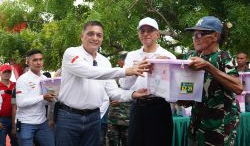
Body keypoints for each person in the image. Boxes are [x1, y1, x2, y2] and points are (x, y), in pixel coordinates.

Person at [55, 20, 150, 146]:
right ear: (82, 36)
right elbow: (89, 72)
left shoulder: (105, 62)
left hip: (94, 118)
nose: (95, 38)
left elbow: (113, 92)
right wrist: (126, 71)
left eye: (99, 35)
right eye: (91, 34)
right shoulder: (71, 53)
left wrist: (132, 94)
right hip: (69, 117)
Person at [183, 16, 243, 145]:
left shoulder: (223, 57)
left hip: (219, 128)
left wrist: (208, 66)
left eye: (201, 34)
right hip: (196, 127)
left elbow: (238, 87)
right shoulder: (191, 57)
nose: (195, 38)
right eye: (194, 34)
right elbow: (186, 95)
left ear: (215, 36)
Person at [119, 17, 176, 146]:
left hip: (160, 107)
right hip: (138, 106)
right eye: (142, 31)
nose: (145, 34)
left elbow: (174, 90)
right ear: (139, 34)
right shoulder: (132, 55)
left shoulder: (168, 56)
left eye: (150, 30)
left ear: (157, 34)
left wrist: (166, 67)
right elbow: (124, 85)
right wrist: (136, 70)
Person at [16, 49, 55, 146]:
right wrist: (42, 97)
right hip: (26, 123)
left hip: (42, 122)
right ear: (28, 62)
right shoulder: (23, 79)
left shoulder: (45, 79)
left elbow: (47, 102)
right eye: (35, 60)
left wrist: (52, 98)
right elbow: (20, 103)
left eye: (40, 59)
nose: (38, 62)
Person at [108, 51, 131, 146]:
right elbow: (106, 92)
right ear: (119, 61)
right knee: (113, 142)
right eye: (123, 59)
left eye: (127, 60)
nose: (125, 62)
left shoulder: (134, 75)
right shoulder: (113, 75)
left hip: (129, 119)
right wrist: (110, 100)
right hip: (113, 118)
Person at [0, 64, 18, 146]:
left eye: (9, 71)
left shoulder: (16, 85)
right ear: (0, 73)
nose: (7, 73)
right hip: (1, 120)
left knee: (16, 142)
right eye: (5, 72)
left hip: (14, 118)